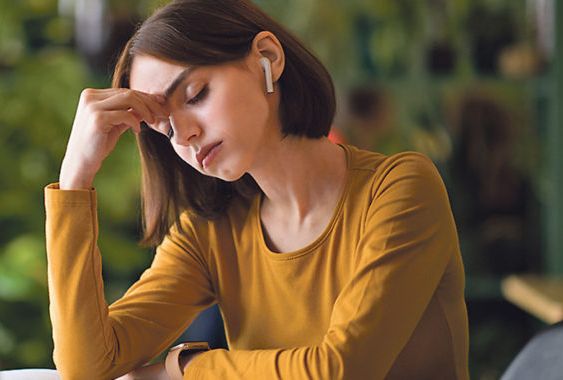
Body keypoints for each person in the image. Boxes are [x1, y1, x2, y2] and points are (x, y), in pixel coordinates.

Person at [44, 0, 469, 378]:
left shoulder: (401, 189)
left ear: (267, 58)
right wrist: (75, 178)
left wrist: (181, 370)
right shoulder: (210, 232)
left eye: (195, 95)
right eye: (166, 127)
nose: (184, 135)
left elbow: (340, 370)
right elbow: (86, 367)